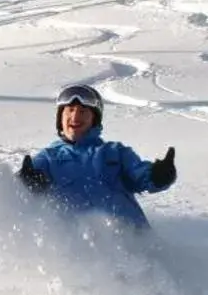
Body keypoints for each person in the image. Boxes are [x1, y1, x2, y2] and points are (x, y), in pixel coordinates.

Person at [17, 83, 176, 228]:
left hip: (131, 241)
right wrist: (27, 182)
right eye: (70, 110)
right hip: (81, 249)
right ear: (60, 118)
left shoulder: (114, 152)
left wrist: (159, 175)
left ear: (94, 119)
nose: (75, 116)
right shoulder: (48, 158)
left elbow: (141, 175)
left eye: (83, 111)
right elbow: (14, 194)